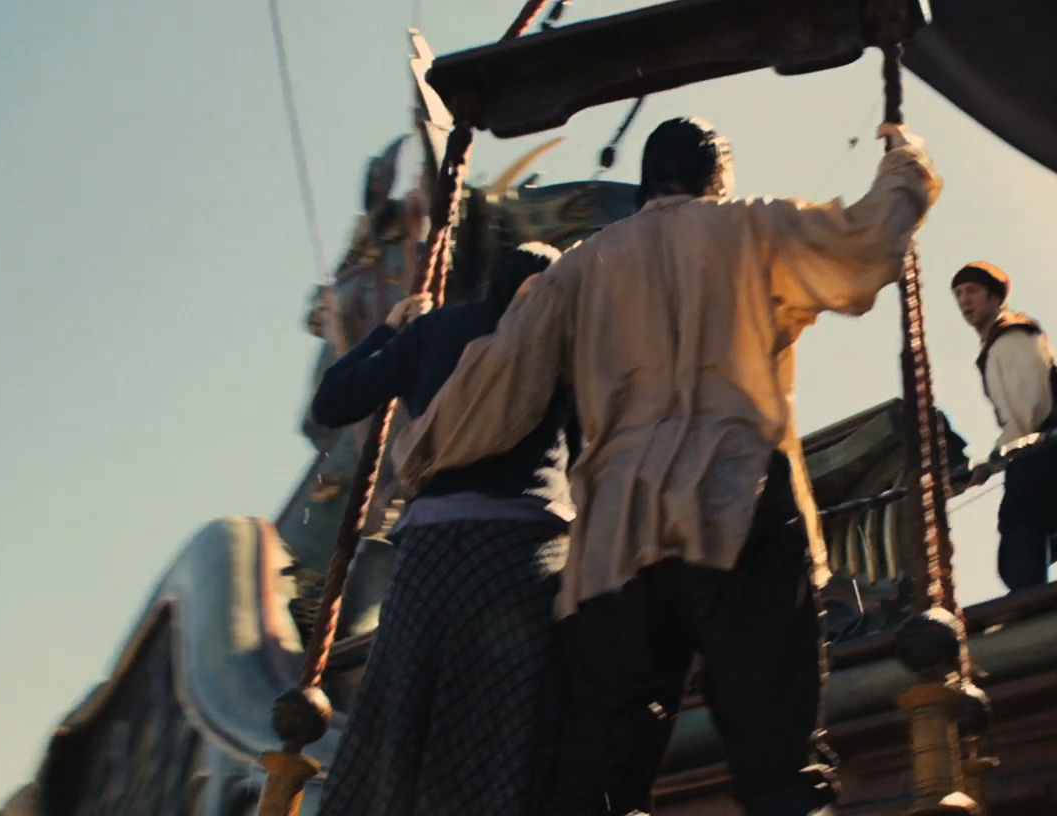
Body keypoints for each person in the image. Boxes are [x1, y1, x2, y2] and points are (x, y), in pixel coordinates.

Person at [391, 116, 941, 816]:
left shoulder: (579, 268)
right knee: (777, 764)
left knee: (595, 781)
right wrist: (905, 162)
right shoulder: (751, 227)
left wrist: (417, 453)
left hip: (614, 541)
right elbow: (868, 240)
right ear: (718, 177)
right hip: (738, 505)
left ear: (648, 180)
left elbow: (498, 380)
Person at [310, 242, 578, 816]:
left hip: (429, 555)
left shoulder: (434, 331)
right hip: (521, 556)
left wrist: (390, 331)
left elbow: (332, 402)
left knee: (401, 711)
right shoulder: (562, 338)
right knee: (507, 725)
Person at [952, 262, 1057, 592]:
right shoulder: (999, 342)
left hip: (1043, 450)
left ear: (995, 297)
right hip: (1042, 450)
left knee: (1022, 534)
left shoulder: (1011, 337)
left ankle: (1032, 605)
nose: (964, 300)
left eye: (972, 291)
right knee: (1028, 541)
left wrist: (993, 461)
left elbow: (1028, 412)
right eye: (959, 294)